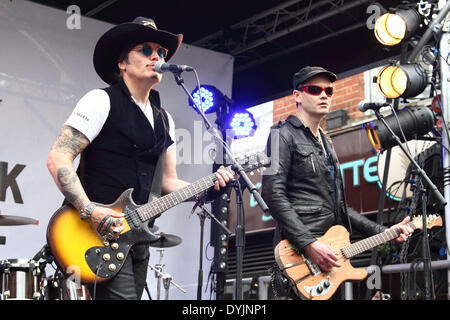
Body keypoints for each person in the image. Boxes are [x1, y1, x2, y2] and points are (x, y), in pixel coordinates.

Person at [46, 17, 233, 300]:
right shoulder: (101, 101)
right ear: (122, 62)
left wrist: (209, 189)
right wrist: (90, 211)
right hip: (96, 233)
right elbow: (58, 157)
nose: (157, 56)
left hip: (136, 238)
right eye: (146, 49)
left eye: (161, 52)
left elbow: (168, 182)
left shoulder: (164, 118)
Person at [261, 66, 413, 299]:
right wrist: (309, 243)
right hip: (300, 259)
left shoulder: (327, 144)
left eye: (329, 91)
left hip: (333, 257)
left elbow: (342, 209)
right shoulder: (280, 135)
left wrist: (384, 231)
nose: (324, 95)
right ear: (297, 96)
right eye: (315, 89)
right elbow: (272, 193)